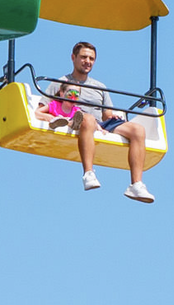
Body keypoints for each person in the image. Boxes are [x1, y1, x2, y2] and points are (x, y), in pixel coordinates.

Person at [36, 37, 163, 202]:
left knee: (138, 130)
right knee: (87, 119)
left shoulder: (99, 86)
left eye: (91, 59)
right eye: (83, 57)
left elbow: (107, 115)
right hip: (78, 120)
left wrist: (114, 115)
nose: (87, 61)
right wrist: (56, 117)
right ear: (73, 58)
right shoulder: (60, 83)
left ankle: (136, 185)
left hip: (102, 123)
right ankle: (89, 173)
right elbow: (41, 109)